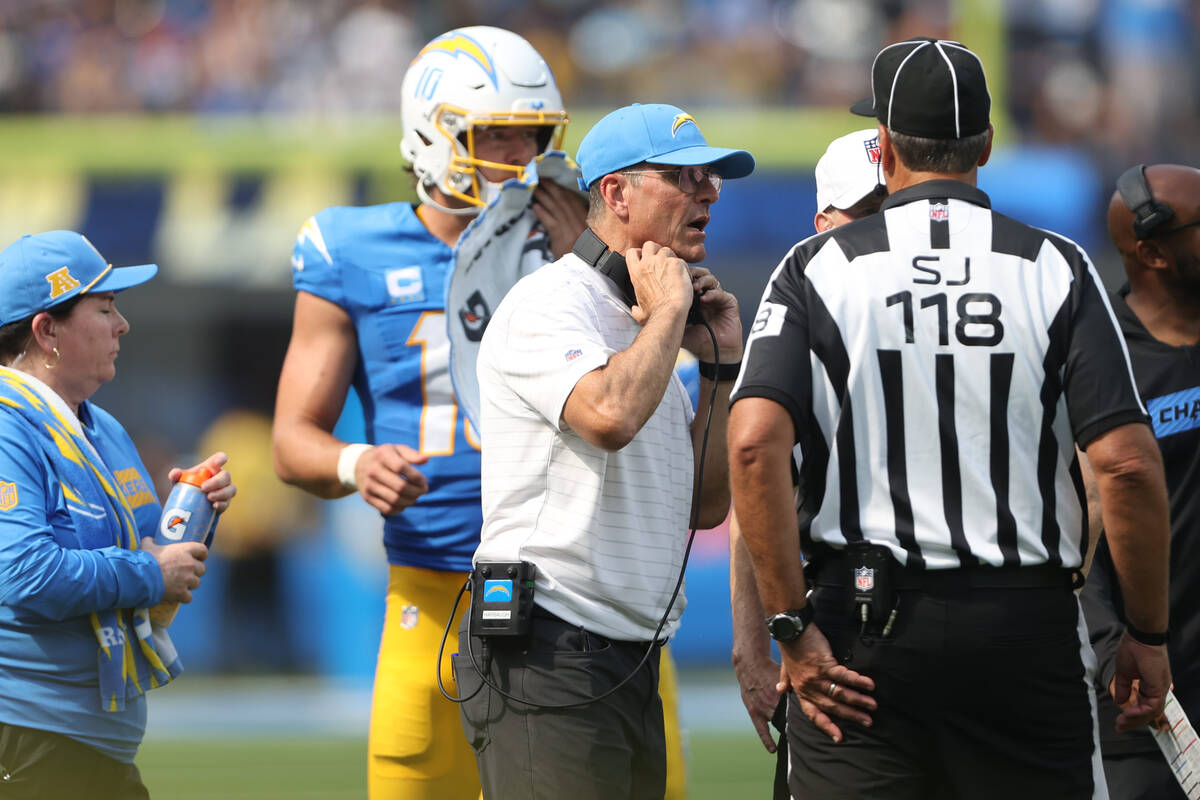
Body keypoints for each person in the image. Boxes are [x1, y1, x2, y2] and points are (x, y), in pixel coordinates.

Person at [728, 37, 1172, 799]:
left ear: (887, 148)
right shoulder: (1056, 264)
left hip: (860, 630)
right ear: (989, 145)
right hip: (1021, 627)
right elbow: (1126, 465)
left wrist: (791, 631)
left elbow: (750, 448)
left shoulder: (815, 268)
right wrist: (1147, 634)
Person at [271, 26, 586, 800]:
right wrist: (356, 462)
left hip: (577, 586)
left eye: (532, 137)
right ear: (432, 135)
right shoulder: (352, 247)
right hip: (429, 583)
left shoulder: (577, 240)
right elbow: (291, 442)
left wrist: (593, 264)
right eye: (496, 136)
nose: (518, 158)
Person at [457, 102, 752, 800]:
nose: (708, 190)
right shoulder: (548, 302)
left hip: (627, 657)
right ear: (617, 193)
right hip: (548, 645)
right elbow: (610, 415)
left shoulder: (637, 323)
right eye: (683, 176)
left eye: (711, 177)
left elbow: (706, 506)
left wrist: (720, 367)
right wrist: (673, 314)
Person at [0, 230, 235, 799]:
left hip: (87, 738)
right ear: (46, 331)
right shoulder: (9, 425)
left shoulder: (100, 427)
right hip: (31, 735)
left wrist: (194, 517)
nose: (122, 324)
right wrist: (154, 570)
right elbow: (22, 573)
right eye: (104, 308)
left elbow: (148, 576)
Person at [730, 128, 886, 761]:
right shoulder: (802, 304)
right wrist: (757, 642)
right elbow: (757, 475)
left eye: (892, 208)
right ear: (822, 223)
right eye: (866, 214)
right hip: (838, 623)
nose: (883, 230)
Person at [1080, 163, 1200, 799]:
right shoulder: (1099, 353)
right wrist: (1113, 653)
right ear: (1152, 252)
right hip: (1148, 691)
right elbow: (1083, 522)